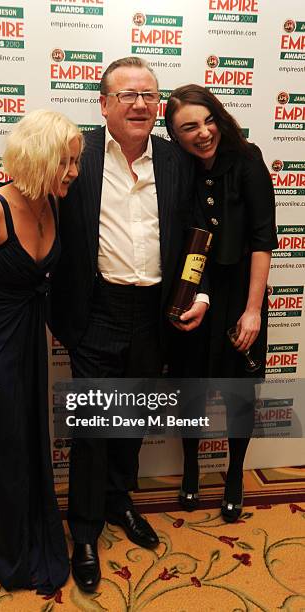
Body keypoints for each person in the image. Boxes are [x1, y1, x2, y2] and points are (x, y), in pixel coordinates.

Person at [0, 57, 209, 593]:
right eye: (127, 94)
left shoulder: (176, 160)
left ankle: (119, 503)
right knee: (91, 428)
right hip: (93, 312)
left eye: (149, 95)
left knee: (131, 419)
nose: (139, 103)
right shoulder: (80, 154)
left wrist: (198, 291)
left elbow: (196, 230)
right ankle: (84, 531)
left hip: (156, 310)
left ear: (159, 105)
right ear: (104, 104)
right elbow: (29, 182)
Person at [0, 109, 83, 594]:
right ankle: (12, 550)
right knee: (3, 444)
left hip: (28, 329)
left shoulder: (51, 202)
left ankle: (35, 531)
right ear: (40, 159)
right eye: (65, 162)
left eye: (75, 162)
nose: (72, 172)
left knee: (29, 436)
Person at [164, 84, 278, 522]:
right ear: (175, 134)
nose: (203, 132)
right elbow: (193, 243)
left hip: (242, 294)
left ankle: (234, 475)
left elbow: (263, 240)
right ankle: (190, 469)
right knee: (190, 387)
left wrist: (252, 310)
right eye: (189, 126)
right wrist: (199, 296)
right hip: (197, 289)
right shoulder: (178, 168)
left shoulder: (247, 160)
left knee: (239, 394)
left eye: (208, 119)